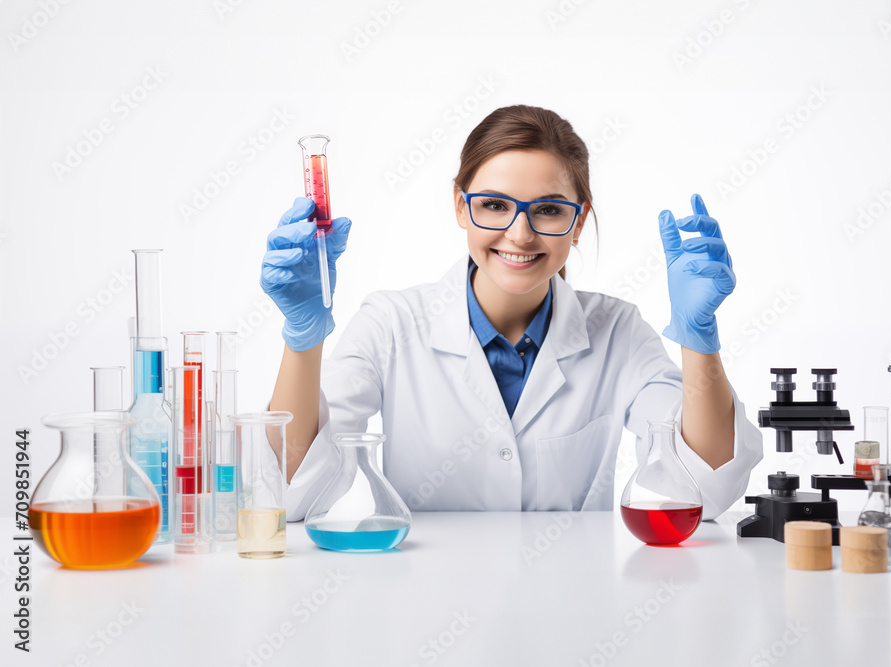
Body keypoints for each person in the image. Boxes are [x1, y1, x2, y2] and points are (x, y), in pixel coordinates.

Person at [261, 105, 762, 522]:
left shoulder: (620, 334)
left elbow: (705, 484)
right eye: (495, 205)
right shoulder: (391, 324)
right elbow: (293, 493)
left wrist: (701, 340)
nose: (520, 234)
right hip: (421, 614)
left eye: (547, 210)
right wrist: (302, 341)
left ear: (579, 220)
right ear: (460, 206)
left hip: (572, 617)